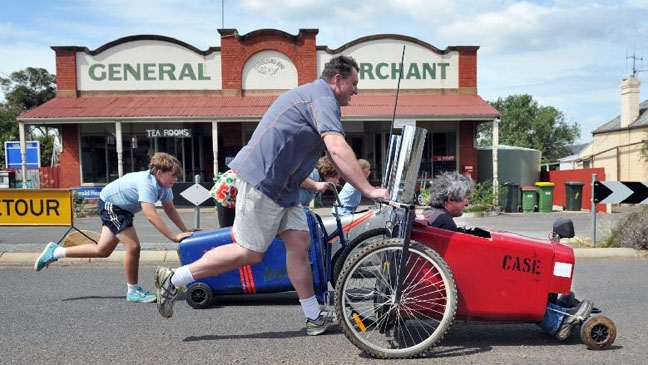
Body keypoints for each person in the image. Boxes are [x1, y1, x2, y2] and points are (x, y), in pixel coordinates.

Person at [154, 55, 389, 335]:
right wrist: (368, 190)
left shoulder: (315, 97)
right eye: (354, 83)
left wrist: (320, 184)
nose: (356, 90)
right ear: (337, 79)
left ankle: (313, 316)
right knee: (249, 253)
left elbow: (304, 150)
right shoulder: (322, 97)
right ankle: (174, 278)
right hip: (263, 183)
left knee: (299, 244)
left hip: (285, 189)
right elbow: (336, 147)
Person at [422, 171, 593, 340]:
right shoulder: (443, 221)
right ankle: (557, 320)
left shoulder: (433, 215)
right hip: (463, 279)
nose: (467, 203)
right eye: (464, 198)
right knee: (514, 279)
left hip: (454, 274)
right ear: (451, 198)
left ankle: (552, 308)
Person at [35, 152, 194, 303]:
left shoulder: (165, 187)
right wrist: (173, 237)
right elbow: (151, 216)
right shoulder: (147, 183)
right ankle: (133, 291)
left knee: (102, 251)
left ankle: (55, 252)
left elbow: (170, 209)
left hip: (121, 208)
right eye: (173, 175)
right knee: (133, 247)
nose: (176, 179)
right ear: (159, 173)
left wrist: (185, 231)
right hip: (112, 206)